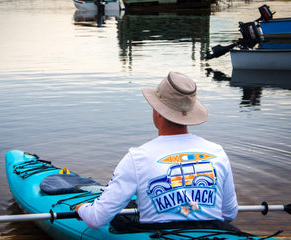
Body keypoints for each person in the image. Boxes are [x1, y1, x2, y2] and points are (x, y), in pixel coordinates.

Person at [75, 71, 238, 230]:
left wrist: (81, 209)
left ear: (158, 112)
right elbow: (229, 214)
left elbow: (96, 219)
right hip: (213, 232)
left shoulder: (137, 158)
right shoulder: (217, 152)